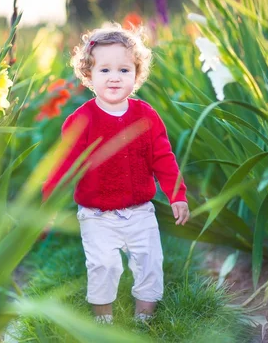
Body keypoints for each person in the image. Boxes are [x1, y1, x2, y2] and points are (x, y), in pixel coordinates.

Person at [42, 23, 190, 325]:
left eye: (124, 70)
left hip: (140, 211)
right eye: (104, 70)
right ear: (88, 76)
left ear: (136, 75)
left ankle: (144, 320)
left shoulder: (146, 115)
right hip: (97, 214)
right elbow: (62, 166)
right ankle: (103, 320)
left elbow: (163, 157)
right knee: (104, 265)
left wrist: (177, 194)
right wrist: (49, 206)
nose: (114, 78)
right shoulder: (81, 121)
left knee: (150, 262)